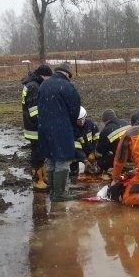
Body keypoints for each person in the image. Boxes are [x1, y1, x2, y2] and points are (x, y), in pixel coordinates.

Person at [38, 62, 82, 202]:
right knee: (63, 159)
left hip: (44, 128)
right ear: (67, 74)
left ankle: (52, 191)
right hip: (60, 128)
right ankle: (60, 193)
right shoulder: (67, 86)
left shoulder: (44, 85)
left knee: (51, 158)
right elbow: (75, 110)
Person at [21, 64, 53, 191]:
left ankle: (42, 176)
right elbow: (34, 111)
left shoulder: (31, 84)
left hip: (32, 125)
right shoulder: (34, 87)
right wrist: (43, 122)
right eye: (48, 78)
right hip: (35, 127)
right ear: (43, 76)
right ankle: (37, 180)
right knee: (37, 154)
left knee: (40, 152)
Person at [70, 106, 100, 181]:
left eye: (83, 119)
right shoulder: (72, 129)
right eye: (79, 120)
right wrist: (84, 160)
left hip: (89, 151)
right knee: (74, 172)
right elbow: (76, 148)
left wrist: (93, 152)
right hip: (76, 154)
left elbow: (97, 139)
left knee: (96, 169)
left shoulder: (91, 125)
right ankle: (74, 172)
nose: (82, 122)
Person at [95, 109, 129, 174]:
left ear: (105, 121)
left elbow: (99, 151)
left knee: (101, 160)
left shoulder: (106, 130)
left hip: (122, 158)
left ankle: (107, 173)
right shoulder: (126, 123)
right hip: (133, 156)